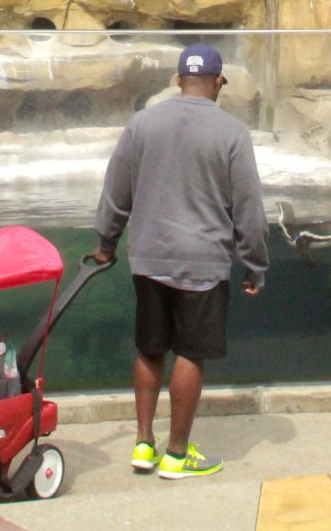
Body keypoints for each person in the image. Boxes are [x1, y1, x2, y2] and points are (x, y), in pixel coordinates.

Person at [93, 42, 269, 481]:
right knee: (190, 353)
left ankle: (142, 443)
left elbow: (116, 190)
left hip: (148, 257)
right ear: (219, 82)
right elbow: (248, 207)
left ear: (177, 81)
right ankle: (176, 454)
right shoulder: (232, 132)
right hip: (203, 263)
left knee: (149, 349)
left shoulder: (142, 123)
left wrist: (106, 243)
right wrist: (254, 264)